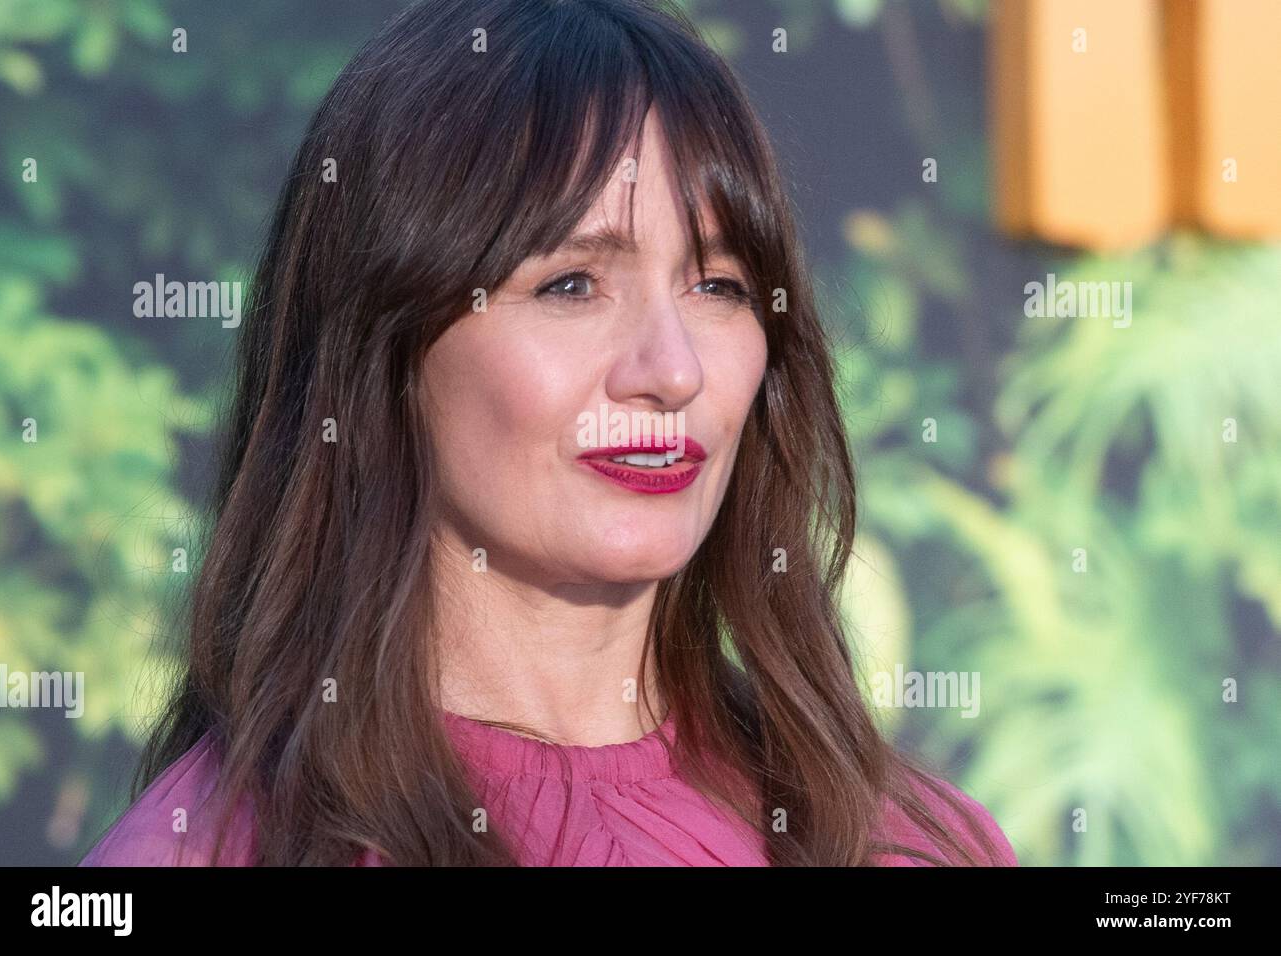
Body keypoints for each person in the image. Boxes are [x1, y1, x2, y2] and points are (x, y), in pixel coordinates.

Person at [81, 0, 1016, 867]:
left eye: (719, 285)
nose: (673, 368)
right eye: (571, 285)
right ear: (385, 349)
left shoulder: (911, 842)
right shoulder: (201, 852)